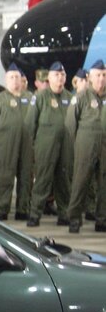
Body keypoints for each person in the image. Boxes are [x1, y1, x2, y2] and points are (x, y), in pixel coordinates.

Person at [25, 61, 73, 226]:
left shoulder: (70, 98)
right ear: (49, 78)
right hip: (45, 145)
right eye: (56, 75)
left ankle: (64, 213)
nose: (60, 78)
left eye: (62, 75)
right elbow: (30, 125)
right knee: (42, 180)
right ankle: (34, 214)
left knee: (64, 180)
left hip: (66, 145)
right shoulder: (40, 97)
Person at [0, 63, 34, 220]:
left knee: (26, 176)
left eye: (17, 77)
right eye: (11, 77)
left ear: (21, 80)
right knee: (4, 176)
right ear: (6, 80)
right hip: (5, 143)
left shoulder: (31, 98)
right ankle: (2, 209)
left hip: (27, 144)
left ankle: (23, 209)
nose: (14, 80)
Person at [66, 59, 105, 233]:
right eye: (98, 75)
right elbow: (70, 123)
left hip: (104, 146)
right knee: (80, 182)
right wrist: (78, 143)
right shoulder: (81, 96)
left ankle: (102, 219)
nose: (101, 79)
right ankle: (74, 219)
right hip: (85, 144)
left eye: (104, 75)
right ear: (89, 77)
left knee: (104, 184)